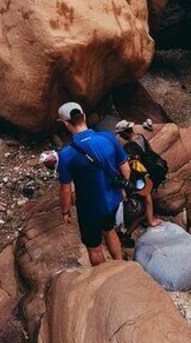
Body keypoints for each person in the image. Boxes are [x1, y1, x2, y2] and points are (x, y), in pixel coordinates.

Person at [56, 102, 129, 266]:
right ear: (84, 117)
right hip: (111, 201)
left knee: (94, 247)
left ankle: (103, 275)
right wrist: (123, 189)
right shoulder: (108, 137)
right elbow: (125, 168)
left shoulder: (66, 154)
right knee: (109, 230)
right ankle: (121, 265)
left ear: (66, 124)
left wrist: (65, 211)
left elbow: (66, 189)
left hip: (88, 208)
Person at [115, 120, 163, 234]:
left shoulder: (130, 146)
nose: (121, 137)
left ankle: (149, 221)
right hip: (151, 169)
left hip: (140, 175)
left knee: (146, 198)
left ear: (125, 133)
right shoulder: (140, 137)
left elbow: (133, 163)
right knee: (146, 198)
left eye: (121, 134)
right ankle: (146, 220)